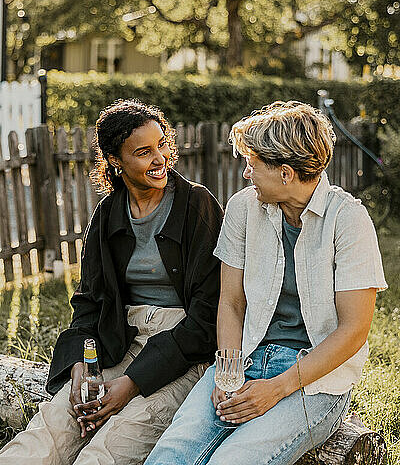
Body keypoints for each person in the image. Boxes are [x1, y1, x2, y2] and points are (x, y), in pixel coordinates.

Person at [144, 100, 387, 465]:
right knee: (171, 454)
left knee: (234, 460)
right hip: (245, 359)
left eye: (252, 165)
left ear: (286, 173)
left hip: (314, 383)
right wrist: (227, 373)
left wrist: (277, 388)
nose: (246, 174)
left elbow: (354, 330)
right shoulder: (244, 208)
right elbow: (231, 303)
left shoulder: (349, 220)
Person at [0, 99, 223, 465]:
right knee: (49, 433)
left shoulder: (196, 205)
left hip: (182, 352)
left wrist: (131, 383)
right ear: (116, 161)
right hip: (116, 340)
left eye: (162, 145)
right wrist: (77, 364)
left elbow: (207, 319)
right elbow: (88, 302)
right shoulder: (107, 215)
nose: (160, 158)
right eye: (143, 152)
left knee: (111, 447)